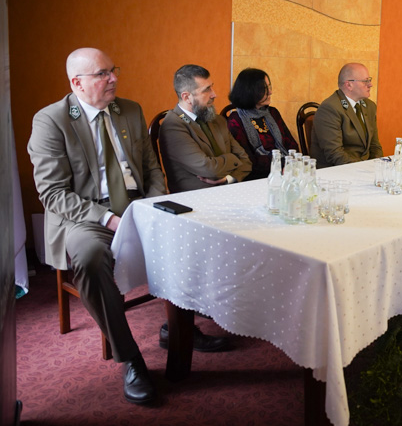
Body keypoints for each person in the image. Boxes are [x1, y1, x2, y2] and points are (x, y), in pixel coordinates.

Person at [28, 48, 165, 404]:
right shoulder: (51, 120)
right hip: (87, 215)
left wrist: (154, 206)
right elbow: (54, 194)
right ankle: (130, 357)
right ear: (77, 83)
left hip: (137, 204)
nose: (114, 79)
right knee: (89, 257)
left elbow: (151, 168)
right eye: (103, 74)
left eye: (113, 70)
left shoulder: (130, 110)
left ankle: (182, 328)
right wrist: (109, 219)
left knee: (193, 232)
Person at [159, 64, 252, 192]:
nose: (214, 94)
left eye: (212, 87)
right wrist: (233, 159)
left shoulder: (217, 120)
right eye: (206, 90)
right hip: (193, 200)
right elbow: (209, 169)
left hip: (229, 192)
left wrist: (228, 178)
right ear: (187, 97)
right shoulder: (173, 126)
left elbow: (246, 161)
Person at [226, 68, 299, 180]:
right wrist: (282, 164)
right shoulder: (235, 120)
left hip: (285, 172)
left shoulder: (273, 113)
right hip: (257, 178)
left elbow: (292, 146)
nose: (270, 92)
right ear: (249, 91)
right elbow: (249, 161)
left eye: (269, 87)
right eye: (264, 89)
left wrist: (289, 165)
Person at [310, 62, 383, 168]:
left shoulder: (369, 106)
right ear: (349, 85)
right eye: (365, 81)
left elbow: (375, 145)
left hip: (364, 170)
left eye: (369, 80)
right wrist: (363, 169)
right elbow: (335, 154)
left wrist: (376, 166)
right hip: (336, 172)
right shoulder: (330, 109)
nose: (370, 84)